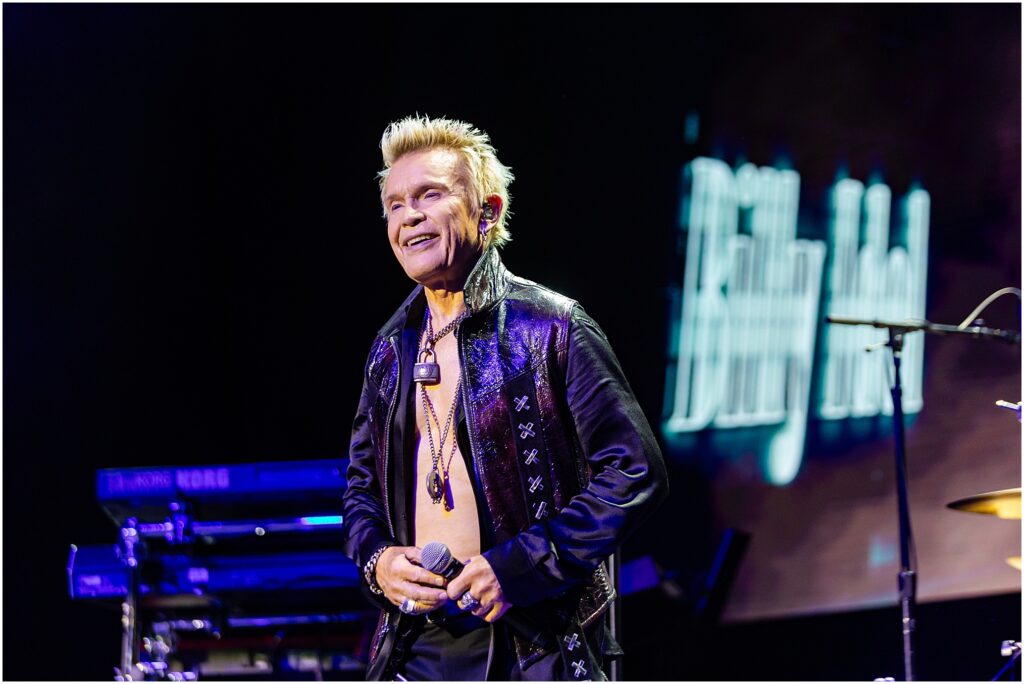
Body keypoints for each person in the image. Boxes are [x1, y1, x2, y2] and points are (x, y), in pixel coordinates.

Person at [342, 115, 668, 681]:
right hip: (414, 645)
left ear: (487, 212)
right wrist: (380, 562)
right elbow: (361, 487)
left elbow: (634, 472)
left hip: (532, 645)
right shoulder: (390, 347)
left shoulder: (552, 327)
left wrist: (521, 567)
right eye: (394, 204)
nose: (409, 215)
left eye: (430, 195)